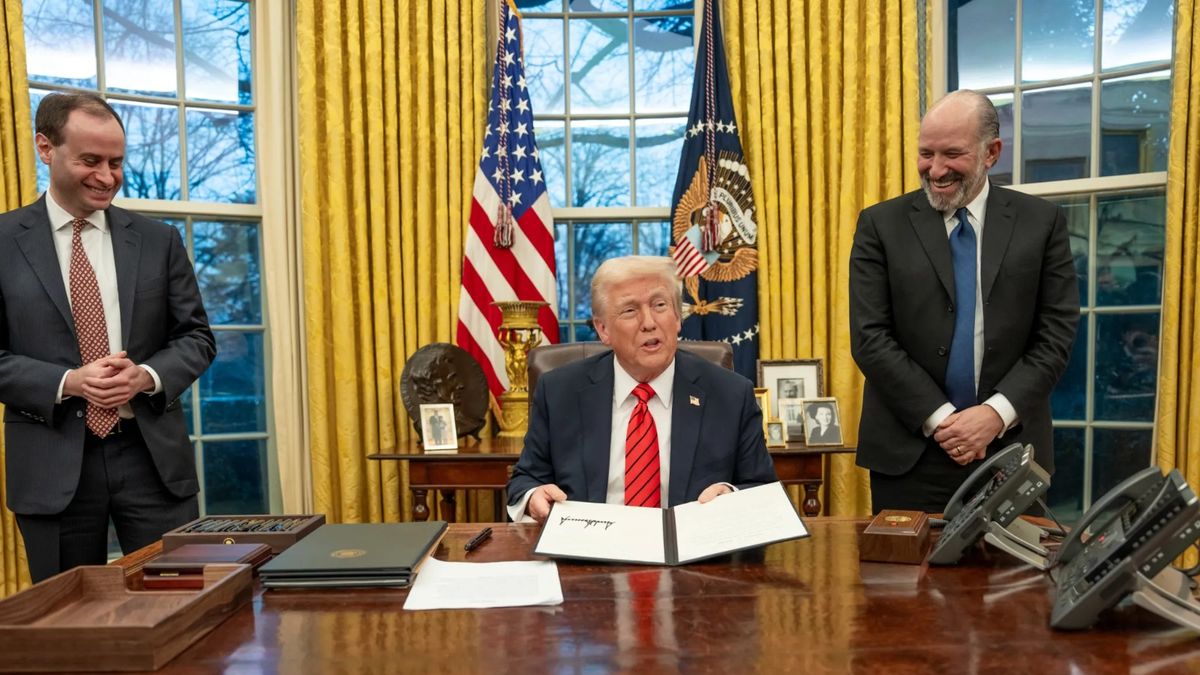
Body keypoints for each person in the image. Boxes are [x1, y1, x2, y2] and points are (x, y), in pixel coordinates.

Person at [0, 93, 216, 581]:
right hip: (52, 467)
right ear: (45, 148)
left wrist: (146, 376)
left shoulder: (159, 240)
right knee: (67, 616)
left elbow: (196, 337)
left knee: (179, 597)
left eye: (116, 162)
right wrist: (69, 383)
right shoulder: (3, 241)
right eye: (90, 161)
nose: (106, 176)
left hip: (152, 460)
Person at [849, 90, 1079, 513]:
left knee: (1015, 562)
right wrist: (944, 421)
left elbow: (1056, 335)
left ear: (992, 152)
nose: (935, 169)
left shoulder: (1041, 222)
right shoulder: (880, 225)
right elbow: (870, 338)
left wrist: (993, 415)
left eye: (952, 154)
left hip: (1011, 450)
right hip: (910, 455)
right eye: (926, 154)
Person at [507, 255, 777, 522]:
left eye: (660, 305)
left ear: (677, 317)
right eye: (630, 310)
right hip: (591, 545)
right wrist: (534, 497)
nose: (649, 322)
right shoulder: (559, 392)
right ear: (603, 330)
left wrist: (731, 496)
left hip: (692, 545)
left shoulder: (731, 395)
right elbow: (526, 479)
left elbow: (763, 490)